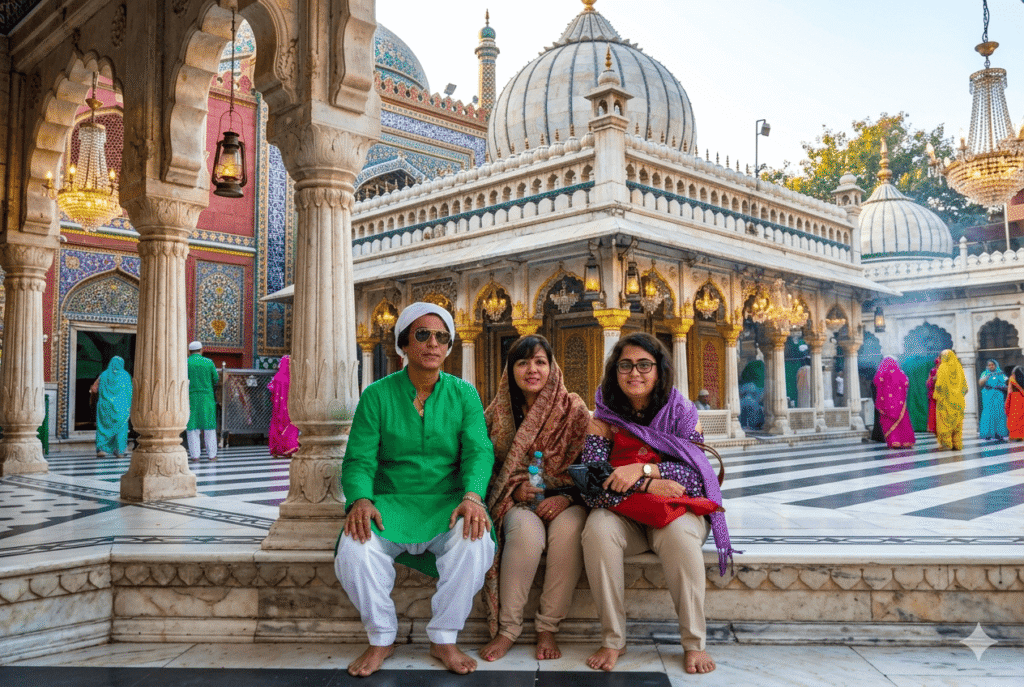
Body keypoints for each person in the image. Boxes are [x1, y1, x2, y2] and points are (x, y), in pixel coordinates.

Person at [335, 302, 495, 677]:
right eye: (422, 335)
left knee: (476, 543)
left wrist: (473, 495)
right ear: (404, 344)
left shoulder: (464, 395)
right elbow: (358, 458)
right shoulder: (377, 395)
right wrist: (360, 499)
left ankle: (443, 636)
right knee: (354, 551)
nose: (433, 344)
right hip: (388, 504)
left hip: (448, 504)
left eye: (442, 337)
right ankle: (381, 637)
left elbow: (479, 451)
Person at [580, 332, 735, 675]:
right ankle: (613, 638)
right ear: (614, 371)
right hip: (627, 515)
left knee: (679, 535)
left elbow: (697, 477)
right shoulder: (603, 416)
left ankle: (694, 643)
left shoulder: (681, 412)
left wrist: (643, 467)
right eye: (625, 365)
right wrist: (652, 483)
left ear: (660, 370)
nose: (634, 373)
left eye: (644, 365)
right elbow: (593, 483)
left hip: (679, 512)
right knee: (597, 528)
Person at [479, 335, 590, 662]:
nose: (532, 369)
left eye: (540, 361)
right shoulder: (498, 414)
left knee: (569, 533)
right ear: (510, 369)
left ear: (552, 367)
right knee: (525, 535)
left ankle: (547, 627)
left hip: (569, 501)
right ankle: (508, 629)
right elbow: (485, 467)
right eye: (523, 362)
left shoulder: (574, 409)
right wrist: (514, 489)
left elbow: (591, 467)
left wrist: (567, 498)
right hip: (518, 502)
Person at [92, 356, 132, 458]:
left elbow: (94, 389)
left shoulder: (104, 375)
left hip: (105, 407)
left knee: (103, 428)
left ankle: (101, 450)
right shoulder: (125, 376)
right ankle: (120, 451)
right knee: (120, 429)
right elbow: (130, 393)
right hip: (121, 408)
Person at [872, 357, 915, 449]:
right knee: (903, 423)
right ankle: (906, 441)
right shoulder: (901, 373)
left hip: (886, 404)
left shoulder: (881, 374)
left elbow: (875, 382)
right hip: (900, 404)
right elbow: (906, 383)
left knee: (889, 422)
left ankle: (894, 441)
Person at [186, 341, 219, 461]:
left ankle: (195, 456)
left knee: (192, 426)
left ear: (189, 352)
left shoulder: (185, 362)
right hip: (207, 398)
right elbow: (215, 379)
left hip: (190, 398)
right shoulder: (209, 362)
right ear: (201, 350)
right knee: (209, 426)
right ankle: (212, 455)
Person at [933, 349, 968, 450]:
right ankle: (957, 443)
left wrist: (938, 393)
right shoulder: (959, 368)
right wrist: (958, 395)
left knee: (945, 422)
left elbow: (939, 385)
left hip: (945, 400)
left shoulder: (942, 367)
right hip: (958, 401)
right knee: (957, 423)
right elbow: (965, 388)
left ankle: (946, 444)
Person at [267, 355, 299, 458]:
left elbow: (271, 391)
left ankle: (276, 450)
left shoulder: (277, 377)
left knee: (277, 426)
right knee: (290, 426)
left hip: (278, 409)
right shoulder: (292, 378)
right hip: (289, 408)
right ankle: (288, 448)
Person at [978, 359, 1009, 441]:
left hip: (998, 395)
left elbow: (1007, 384)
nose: (991, 366)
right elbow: (980, 383)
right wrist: (985, 378)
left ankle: (999, 434)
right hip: (988, 395)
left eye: (993, 365)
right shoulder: (984, 373)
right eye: (989, 365)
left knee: (999, 413)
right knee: (988, 413)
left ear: (996, 365)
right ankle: (987, 434)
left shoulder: (1001, 373)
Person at [1005, 367, 1024, 441]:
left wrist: (1007, 400)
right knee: (1021, 417)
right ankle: (1021, 435)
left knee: (1014, 418)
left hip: (1014, 399)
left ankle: (1013, 435)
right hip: (1022, 398)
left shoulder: (1012, 378)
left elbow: (1009, 390)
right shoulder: (1022, 378)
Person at [926, 356, 941, 434]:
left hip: (942, 394)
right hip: (934, 393)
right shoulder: (933, 371)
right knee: (933, 410)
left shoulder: (944, 370)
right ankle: (933, 427)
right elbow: (928, 383)